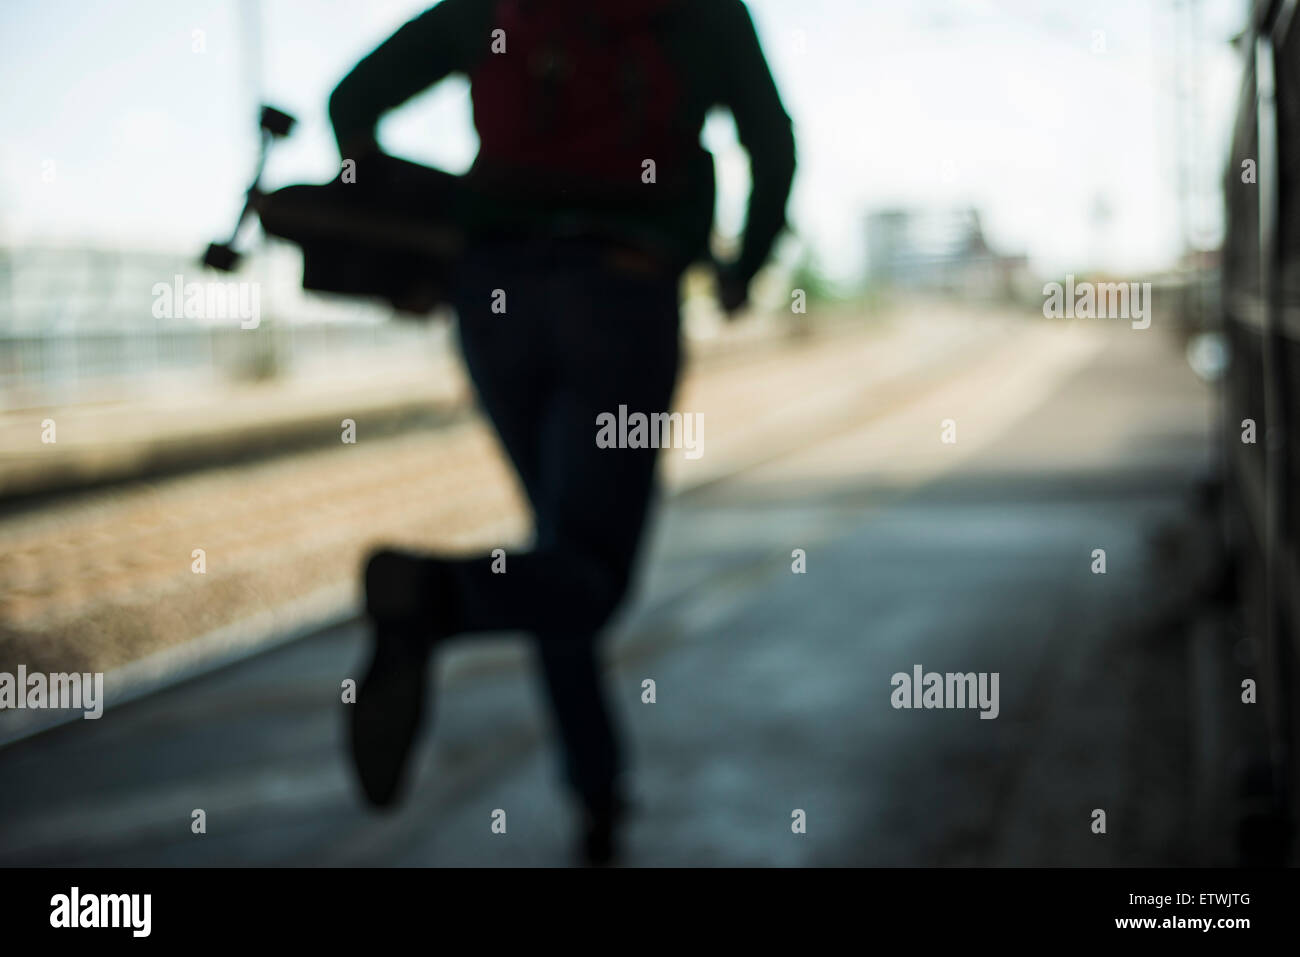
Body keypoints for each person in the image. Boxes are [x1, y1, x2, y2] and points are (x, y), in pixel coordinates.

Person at [331, 0, 795, 864]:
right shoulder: (706, 12)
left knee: (556, 549)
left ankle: (597, 793)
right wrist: (746, 266)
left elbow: (352, 98)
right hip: (622, 294)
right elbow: (772, 142)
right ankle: (433, 602)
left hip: (495, 302)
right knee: (590, 577)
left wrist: (400, 211)